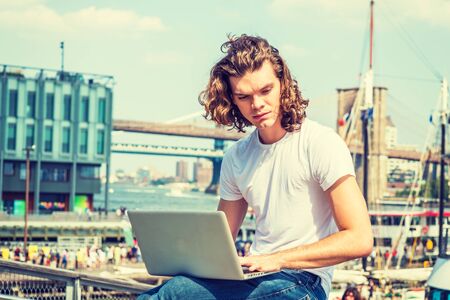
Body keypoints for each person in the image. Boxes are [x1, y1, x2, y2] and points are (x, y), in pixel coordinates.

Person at [138, 34, 372, 299]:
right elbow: (219, 242)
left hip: (304, 282)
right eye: (244, 96)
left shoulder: (320, 143)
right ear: (232, 100)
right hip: (254, 274)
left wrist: (278, 259)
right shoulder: (236, 157)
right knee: (165, 294)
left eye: (266, 90)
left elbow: (360, 238)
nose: (257, 104)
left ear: (283, 84)